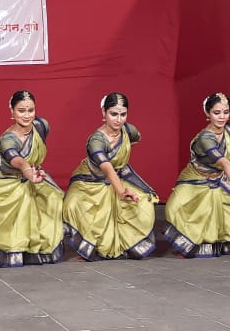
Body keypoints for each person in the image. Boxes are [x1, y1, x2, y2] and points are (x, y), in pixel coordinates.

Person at [164, 93, 230, 257]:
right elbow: (225, 163)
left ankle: (227, 245)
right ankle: (189, 246)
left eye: (226, 112)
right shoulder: (205, 138)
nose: (222, 117)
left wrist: (227, 153)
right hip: (195, 180)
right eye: (217, 113)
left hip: (218, 178)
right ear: (207, 113)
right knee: (176, 209)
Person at [0, 90, 65, 267]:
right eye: (21, 110)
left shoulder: (41, 126)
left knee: (54, 199)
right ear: (12, 112)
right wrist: (27, 170)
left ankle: (34, 248)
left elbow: (35, 156)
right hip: (3, 180)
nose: (27, 115)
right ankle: (8, 247)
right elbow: (17, 159)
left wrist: (34, 172)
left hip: (32, 176)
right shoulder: (7, 139)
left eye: (31, 110)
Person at [63, 92, 158, 260]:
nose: (118, 119)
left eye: (123, 114)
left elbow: (132, 142)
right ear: (103, 113)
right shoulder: (96, 141)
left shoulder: (129, 131)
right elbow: (106, 167)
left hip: (117, 178)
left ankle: (127, 245)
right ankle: (92, 248)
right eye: (113, 114)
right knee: (74, 205)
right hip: (90, 182)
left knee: (144, 204)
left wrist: (119, 165)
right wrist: (121, 191)